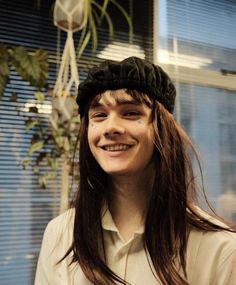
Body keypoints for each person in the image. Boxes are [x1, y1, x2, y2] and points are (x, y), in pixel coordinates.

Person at [35, 57, 236, 285]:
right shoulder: (60, 234)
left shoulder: (220, 248)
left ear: (162, 128)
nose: (111, 127)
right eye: (99, 115)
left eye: (130, 113)